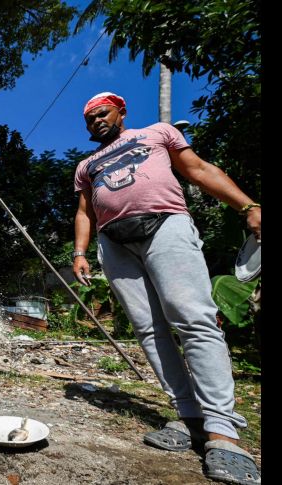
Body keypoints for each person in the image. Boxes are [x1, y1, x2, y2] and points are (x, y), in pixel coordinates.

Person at [72, 92, 261, 484]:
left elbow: (198, 170)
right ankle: (189, 416)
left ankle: (223, 431)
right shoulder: (86, 165)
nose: (96, 121)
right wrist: (80, 253)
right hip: (115, 243)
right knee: (148, 330)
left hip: (165, 224)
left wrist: (248, 207)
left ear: (121, 111)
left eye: (102, 114)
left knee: (193, 319)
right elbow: (85, 211)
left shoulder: (158, 133)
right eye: (89, 119)